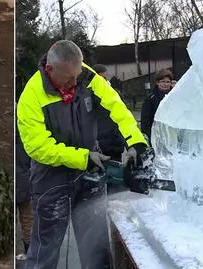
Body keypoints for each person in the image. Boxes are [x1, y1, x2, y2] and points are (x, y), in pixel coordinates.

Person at [16, 40, 149, 269]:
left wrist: (135, 140)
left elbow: (115, 106)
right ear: (50, 69)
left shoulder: (86, 77)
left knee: (96, 248)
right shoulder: (31, 96)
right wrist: (83, 157)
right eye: (69, 79)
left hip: (90, 172)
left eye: (77, 75)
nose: (75, 83)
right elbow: (38, 147)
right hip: (51, 179)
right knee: (44, 252)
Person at [140, 69, 176, 145]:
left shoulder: (175, 96)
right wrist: (148, 136)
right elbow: (145, 119)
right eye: (163, 81)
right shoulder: (150, 99)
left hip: (173, 134)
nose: (165, 84)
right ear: (157, 82)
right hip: (156, 134)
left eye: (168, 82)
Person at [15, 119, 33, 260]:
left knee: (24, 218)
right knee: (27, 219)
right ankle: (29, 253)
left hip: (19, 183)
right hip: (25, 183)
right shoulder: (26, 139)